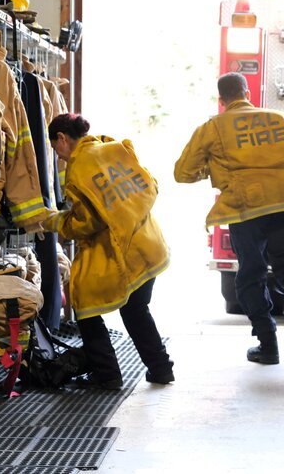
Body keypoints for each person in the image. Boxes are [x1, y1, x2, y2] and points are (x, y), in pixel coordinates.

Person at [174, 72, 284, 364]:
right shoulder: (282, 119)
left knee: (251, 276)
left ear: (221, 101)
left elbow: (183, 173)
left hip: (247, 208)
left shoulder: (213, 127)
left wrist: (213, 169)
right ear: (248, 93)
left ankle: (268, 345)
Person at [45, 113, 174, 389]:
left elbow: (87, 222)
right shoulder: (113, 147)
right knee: (136, 310)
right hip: (149, 246)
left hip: (121, 252)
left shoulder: (78, 170)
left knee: (86, 308)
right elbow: (150, 185)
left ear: (62, 139)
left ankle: (108, 375)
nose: (58, 155)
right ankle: (161, 369)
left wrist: (57, 221)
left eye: (56, 149)